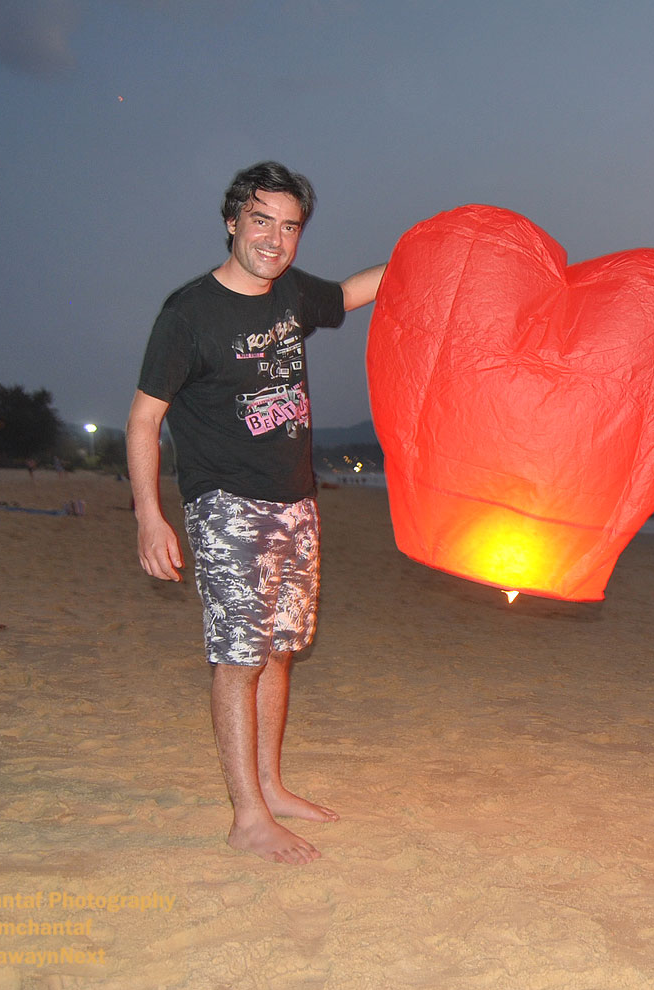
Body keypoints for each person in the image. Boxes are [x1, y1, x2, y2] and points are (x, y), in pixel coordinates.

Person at [127, 162, 386, 865]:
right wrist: (151, 516)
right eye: (262, 220)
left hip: (297, 502)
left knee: (279, 651)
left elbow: (359, 291)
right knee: (238, 659)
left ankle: (270, 787)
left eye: (290, 226)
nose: (275, 238)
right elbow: (144, 420)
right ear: (232, 221)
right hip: (227, 505)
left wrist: (438, 251)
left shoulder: (296, 294)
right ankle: (246, 817)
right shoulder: (188, 314)